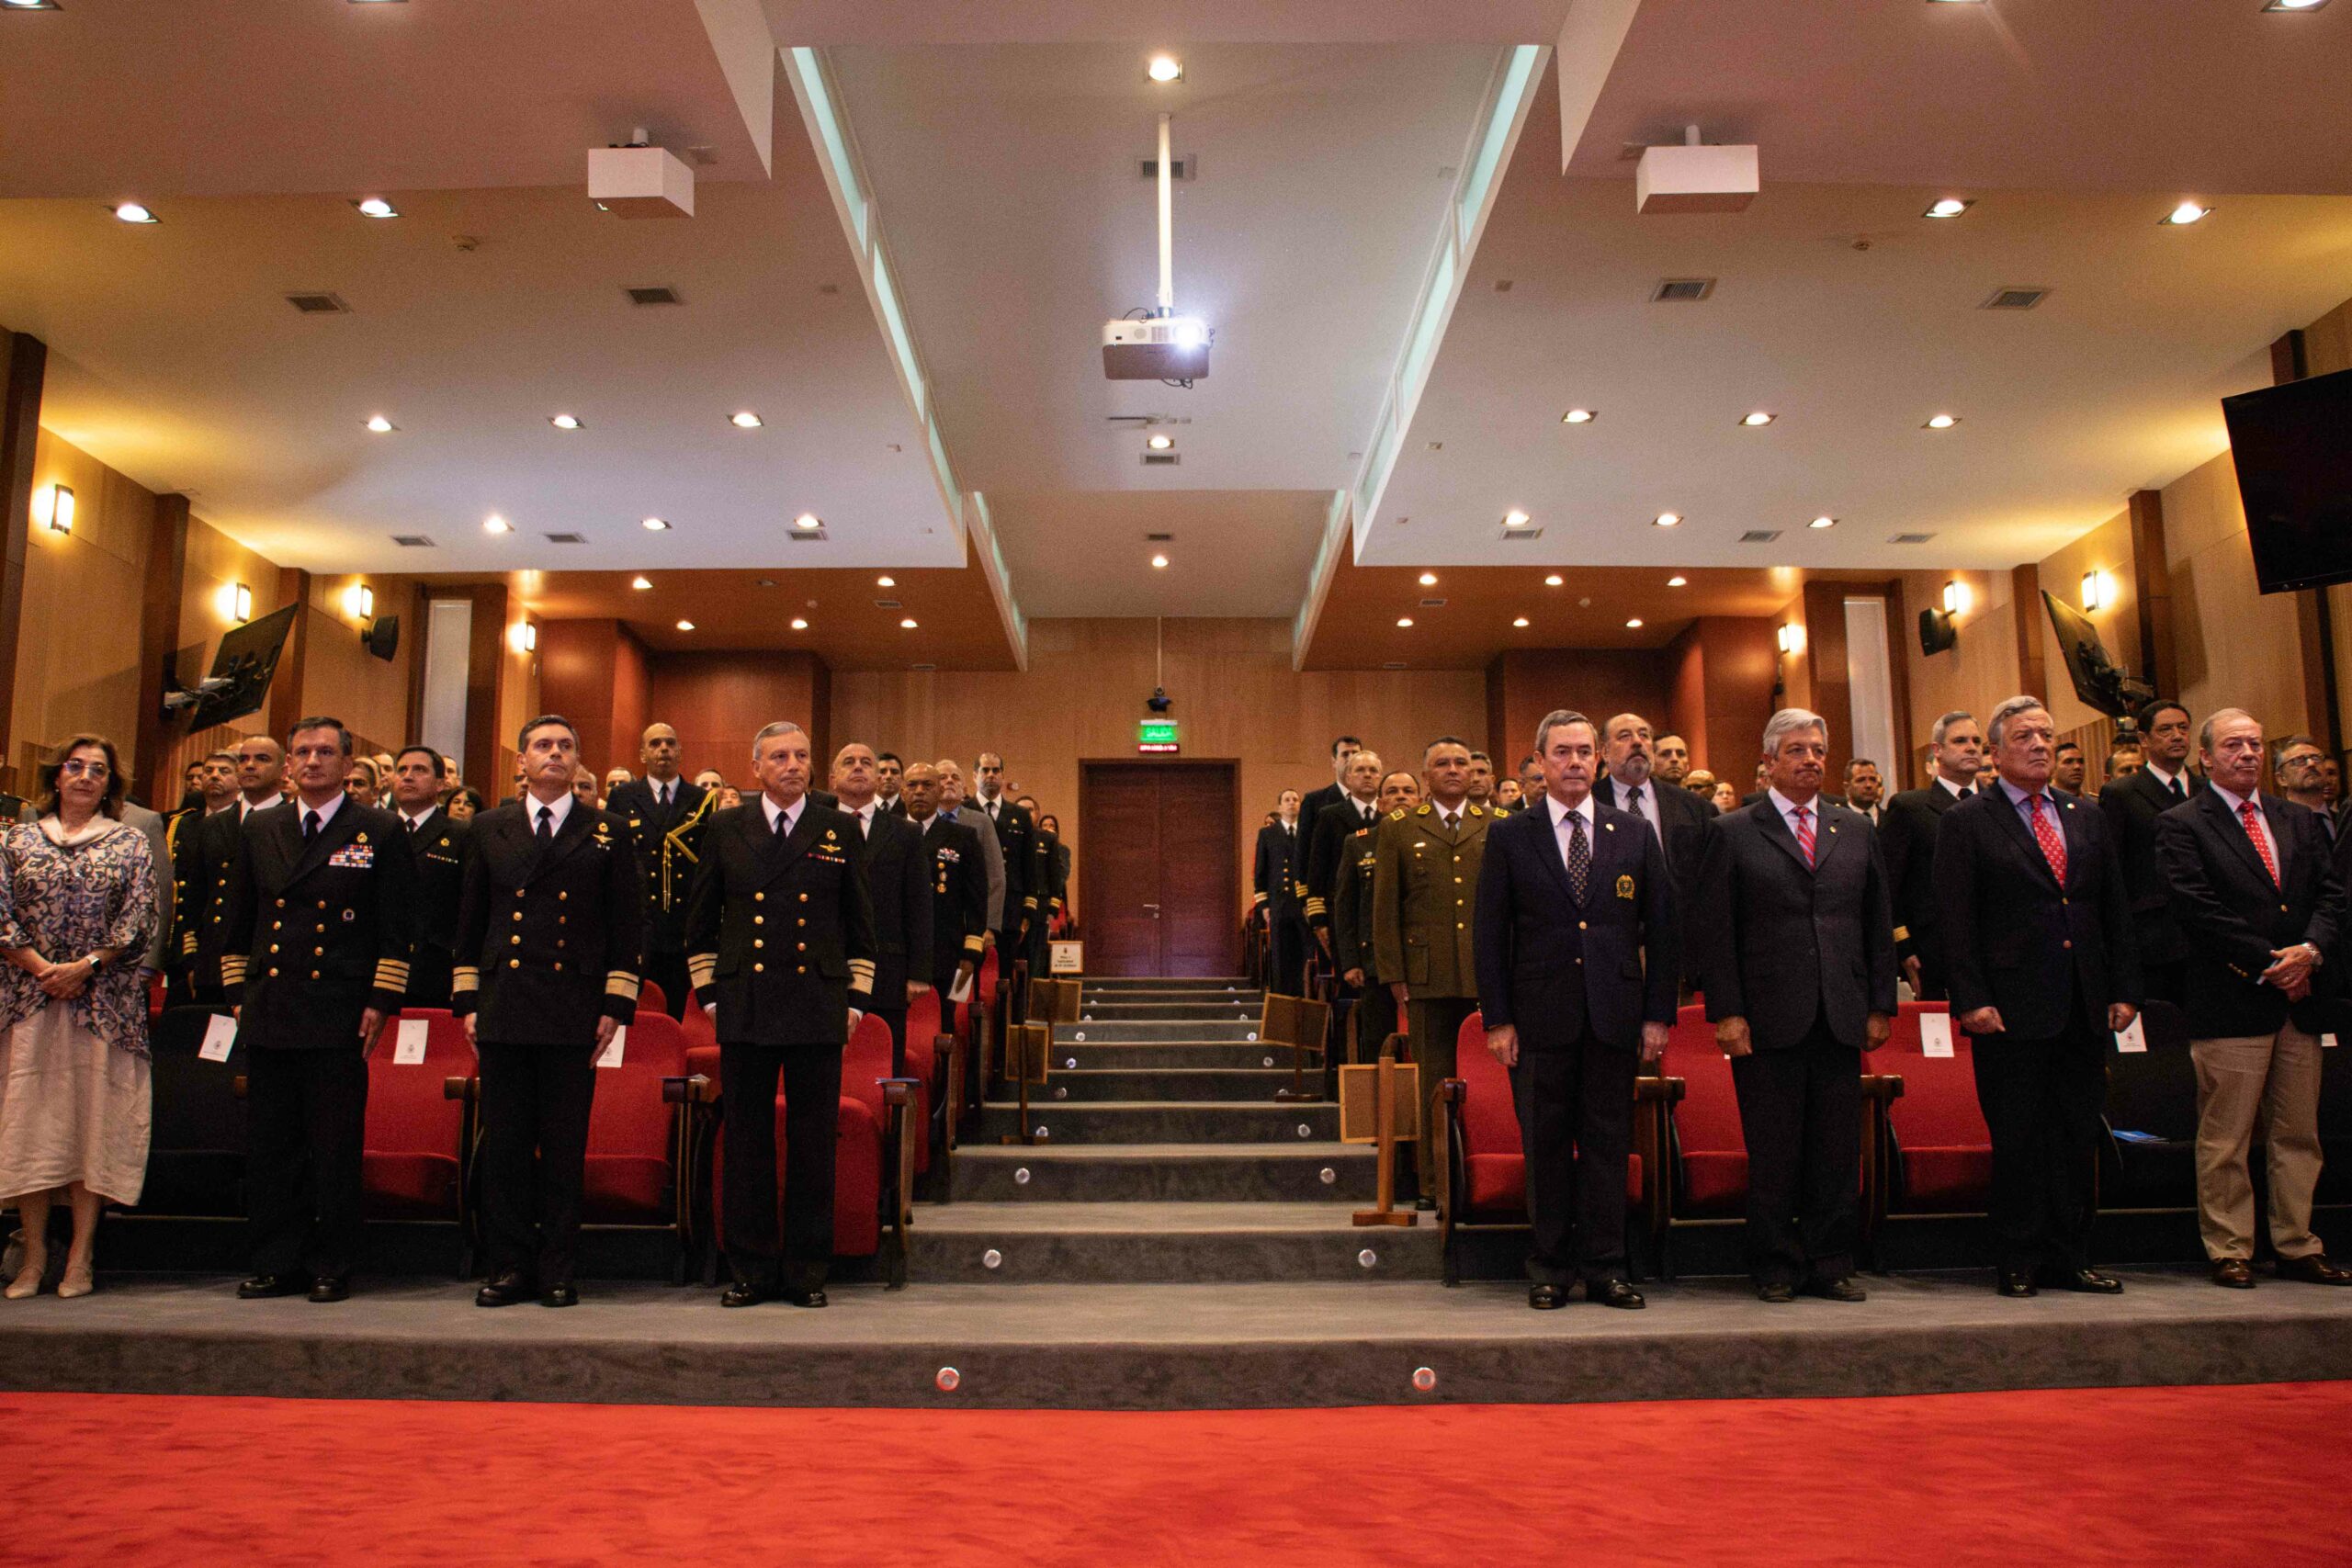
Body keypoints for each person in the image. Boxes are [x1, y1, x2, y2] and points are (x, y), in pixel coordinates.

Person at [1935, 695, 2138, 1298]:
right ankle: (2019, 1255)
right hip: (2007, 1005)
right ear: (1995, 752)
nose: (2040, 744)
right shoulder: (1968, 821)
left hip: (2081, 999)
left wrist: (2124, 985)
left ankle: (2069, 1255)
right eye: (2024, 735)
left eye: (2047, 734)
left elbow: (2113, 909)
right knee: (2020, 1137)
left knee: (2076, 1133)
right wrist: (1970, 996)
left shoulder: (2085, 814)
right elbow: (1955, 919)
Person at [1474, 710, 1675, 1310]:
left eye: (1585, 751)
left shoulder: (1633, 832)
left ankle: (1608, 1266)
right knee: (1547, 1146)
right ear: (1539, 760)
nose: (1576, 762)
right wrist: (1499, 1019)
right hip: (1539, 1016)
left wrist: (1658, 1013)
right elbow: (1490, 933)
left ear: (1601, 758)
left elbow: (1663, 928)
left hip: (1615, 1013)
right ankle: (1551, 1268)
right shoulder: (1512, 834)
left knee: (1610, 1146)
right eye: (1562, 752)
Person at [1692, 710, 1896, 1303]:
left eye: (1818, 749)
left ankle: (1832, 1260)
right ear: (1770, 762)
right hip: (1766, 1014)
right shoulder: (1732, 831)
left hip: (1841, 1010)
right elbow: (1716, 932)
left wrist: (1880, 1003)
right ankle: (1775, 1263)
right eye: (1798, 750)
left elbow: (1876, 922)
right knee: (1776, 1148)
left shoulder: (1853, 829)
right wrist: (1726, 1012)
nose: (1811, 759)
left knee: (1836, 1148)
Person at [2154, 709, 2350, 1290]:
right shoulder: (2183, 823)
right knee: (2227, 1136)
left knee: (2297, 1133)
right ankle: (2230, 1247)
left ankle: (2296, 1243)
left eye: (2257, 744)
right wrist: (2272, 962)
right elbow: (2195, 907)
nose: (2248, 754)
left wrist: (2310, 951)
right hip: (2232, 995)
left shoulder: (2296, 819)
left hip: (2301, 997)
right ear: (2206, 758)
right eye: (2234, 745)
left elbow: (2332, 896)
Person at [453, 715, 644, 1309]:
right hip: (505, 1004)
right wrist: (466, 1000)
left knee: (564, 1148)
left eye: (565, 745)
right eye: (542, 745)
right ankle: (508, 1265)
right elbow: (470, 921)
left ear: (578, 760)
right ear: (522, 760)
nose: (554, 753)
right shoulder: (488, 827)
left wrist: (616, 1004)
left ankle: (559, 1266)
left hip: (574, 1009)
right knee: (506, 1146)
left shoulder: (609, 829)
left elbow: (627, 925)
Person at [223, 717, 416, 1303]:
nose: (312, 761)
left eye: (325, 752)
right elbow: (236, 923)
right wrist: (238, 997)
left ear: (347, 762)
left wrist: (380, 1000)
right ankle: (275, 1261)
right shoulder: (263, 828)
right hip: (272, 1005)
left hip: (339, 1007)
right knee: (271, 1147)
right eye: (302, 751)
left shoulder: (377, 830)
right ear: (288, 764)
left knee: (333, 1147)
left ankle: (333, 1262)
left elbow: (398, 927)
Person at [685, 721, 876, 1310]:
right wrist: (711, 998)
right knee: (746, 1141)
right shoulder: (725, 827)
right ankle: (751, 1268)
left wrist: (855, 999)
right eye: (779, 757)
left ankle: (807, 1270)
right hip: (746, 1001)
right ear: (757, 768)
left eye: (801, 755)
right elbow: (700, 923)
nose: (792, 765)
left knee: (812, 1141)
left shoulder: (837, 827)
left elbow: (861, 924)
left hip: (817, 1002)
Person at [0, 737, 158, 1300]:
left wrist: (85, 966)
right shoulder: (16, 839)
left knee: (91, 1126)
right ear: (57, 776)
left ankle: (81, 1254)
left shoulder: (130, 843)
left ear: (110, 783)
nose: (86, 776)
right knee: (31, 1127)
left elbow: (139, 920)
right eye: (76, 766)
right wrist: (44, 968)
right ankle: (34, 1253)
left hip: (104, 1005)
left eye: (99, 770)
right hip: (26, 1000)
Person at [1373, 737, 1490, 1211]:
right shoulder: (1399, 828)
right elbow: (1385, 907)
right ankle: (1434, 1182)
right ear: (1426, 776)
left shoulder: (1496, 824)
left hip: (1485, 971)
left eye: (1461, 763)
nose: (1454, 770)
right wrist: (1395, 972)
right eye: (1442, 763)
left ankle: (1482, 1171)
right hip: (1426, 974)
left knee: (1487, 1079)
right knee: (1433, 1079)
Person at [832, 744, 932, 1077]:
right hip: (823, 965)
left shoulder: (905, 832)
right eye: (849, 762)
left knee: (880, 1070)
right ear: (833, 778)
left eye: (866, 763)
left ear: (878, 777)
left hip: (886, 966)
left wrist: (918, 970)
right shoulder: (815, 826)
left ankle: (887, 1128)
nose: (858, 767)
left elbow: (918, 903)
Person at [1591, 713, 1713, 981]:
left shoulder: (1695, 808)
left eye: (1644, 735)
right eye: (1624, 736)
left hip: (1678, 956)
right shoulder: (1586, 802)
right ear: (1604, 752)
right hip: (1607, 957)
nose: (1637, 742)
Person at [605, 723, 711, 1019]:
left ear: (680, 752)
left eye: (669, 743)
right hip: (639, 920)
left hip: (683, 924)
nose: (663, 749)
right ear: (642, 754)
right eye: (654, 744)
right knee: (631, 1012)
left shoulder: (702, 800)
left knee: (678, 1013)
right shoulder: (623, 797)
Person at [176, 735, 289, 1005]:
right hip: (213, 963)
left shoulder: (294, 822)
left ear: (284, 771)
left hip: (269, 965)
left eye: (262, 759)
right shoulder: (213, 825)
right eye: (244, 759)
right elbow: (195, 898)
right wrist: (192, 959)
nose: (250, 765)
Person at [1878, 709, 1984, 998]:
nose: (1972, 747)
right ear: (1937, 750)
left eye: (1976, 740)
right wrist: (1903, 945)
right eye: (1960, 740)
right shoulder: (1910, 808)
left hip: (1997, 950)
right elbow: (1888, 887)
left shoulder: (1998, 805)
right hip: (1933, 950)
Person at [2100, 699, 2195, 1004]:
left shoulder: (2208, 789)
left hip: (2205, 935)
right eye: (2165, 730)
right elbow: (2112, 869)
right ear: (2144, 739)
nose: (2177, 736)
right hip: (2152, 936)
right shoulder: (2122, 793)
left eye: (2183, 728)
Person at [899, 763, 987, 1051]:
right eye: (912, 785)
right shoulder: (889, 834)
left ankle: (950, 1093)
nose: (920, 792)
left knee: (949, 1031)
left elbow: (976, 900)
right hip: (897, 953)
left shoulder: (962, 837)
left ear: (940, 791)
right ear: (902, 792)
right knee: (899, 1032)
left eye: (928, 785)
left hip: (950, 955)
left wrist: (970, 955)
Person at [1333, 769, 1419, 1064]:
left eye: (1408, 792)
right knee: (1378, 1043)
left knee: (1422, 1045)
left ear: (1421, 801)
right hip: (1375, 961)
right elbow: (1345, 907)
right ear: (1381, 804)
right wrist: (1351, 961)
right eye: (1393, 792)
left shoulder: (1435, 843)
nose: (1400, 798)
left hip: (1424, 959)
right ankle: (1379, 1106)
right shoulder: (1359, 843)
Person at [388, 746, 468, 1010]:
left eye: (419, 770)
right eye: (402, 770)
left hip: (434, 970)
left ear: (441, 783)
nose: (408, 777)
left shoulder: (461, 834)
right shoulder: (375, 828)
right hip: (378, 969)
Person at [972, 753, 1038, 969]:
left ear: (1003, 776)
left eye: (996, 770)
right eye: (985, 770)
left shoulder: (1019, 815)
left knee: (1005, 976)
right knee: (967, 976)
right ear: (975, 776)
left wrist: (1028, 910)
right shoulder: (964, 811)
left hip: (1010, 908)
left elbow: (1029, 866)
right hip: (973, 905)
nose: (991, 775)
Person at [937, 761, 1005, 942]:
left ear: (964, 788)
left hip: (968, 921)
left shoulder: (982, 822)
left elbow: (996, 877)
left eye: (955, 777)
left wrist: (990, 925)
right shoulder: (919, 822)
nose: (949, 781)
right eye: (942, 777)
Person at [1253, 788, 1310, 996]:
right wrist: (1264, 905)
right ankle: (1281, 1003)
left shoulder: (1307, 831)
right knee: (1280, 959)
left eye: (1295, 799)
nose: (1292, 803)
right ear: (1279, 806)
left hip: (1303, 904)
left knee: (1305, 956)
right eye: (1287, 799)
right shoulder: (1268, 833)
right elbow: (1261, 870)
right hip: (1279, 903)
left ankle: (1305, 1000)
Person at [1298, 736, 1363, 857]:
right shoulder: (1314, 802)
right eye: (1345, 754)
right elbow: (1303, 849)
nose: (1351, 758)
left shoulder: (1373, 801)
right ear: (1334, 762)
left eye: (1355, 754)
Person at [2273, 735, 2333, 837]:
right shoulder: (2274, 825)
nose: (2311, 764)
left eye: (2316, 758)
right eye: (2299, 760)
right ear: (2281, 778)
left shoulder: (2342, 819)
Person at [1843, 758, 1886, 827]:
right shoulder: (1838, 821)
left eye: (1873, 779)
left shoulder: (1891, 820)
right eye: (1861, 780)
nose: (1868, 785)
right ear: (1847, 787)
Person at [876, 752, 906, 818]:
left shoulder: (910, 809)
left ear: (902, 778)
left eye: (894, 772)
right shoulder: (863, 808)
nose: (888, 776)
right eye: (882, 772)